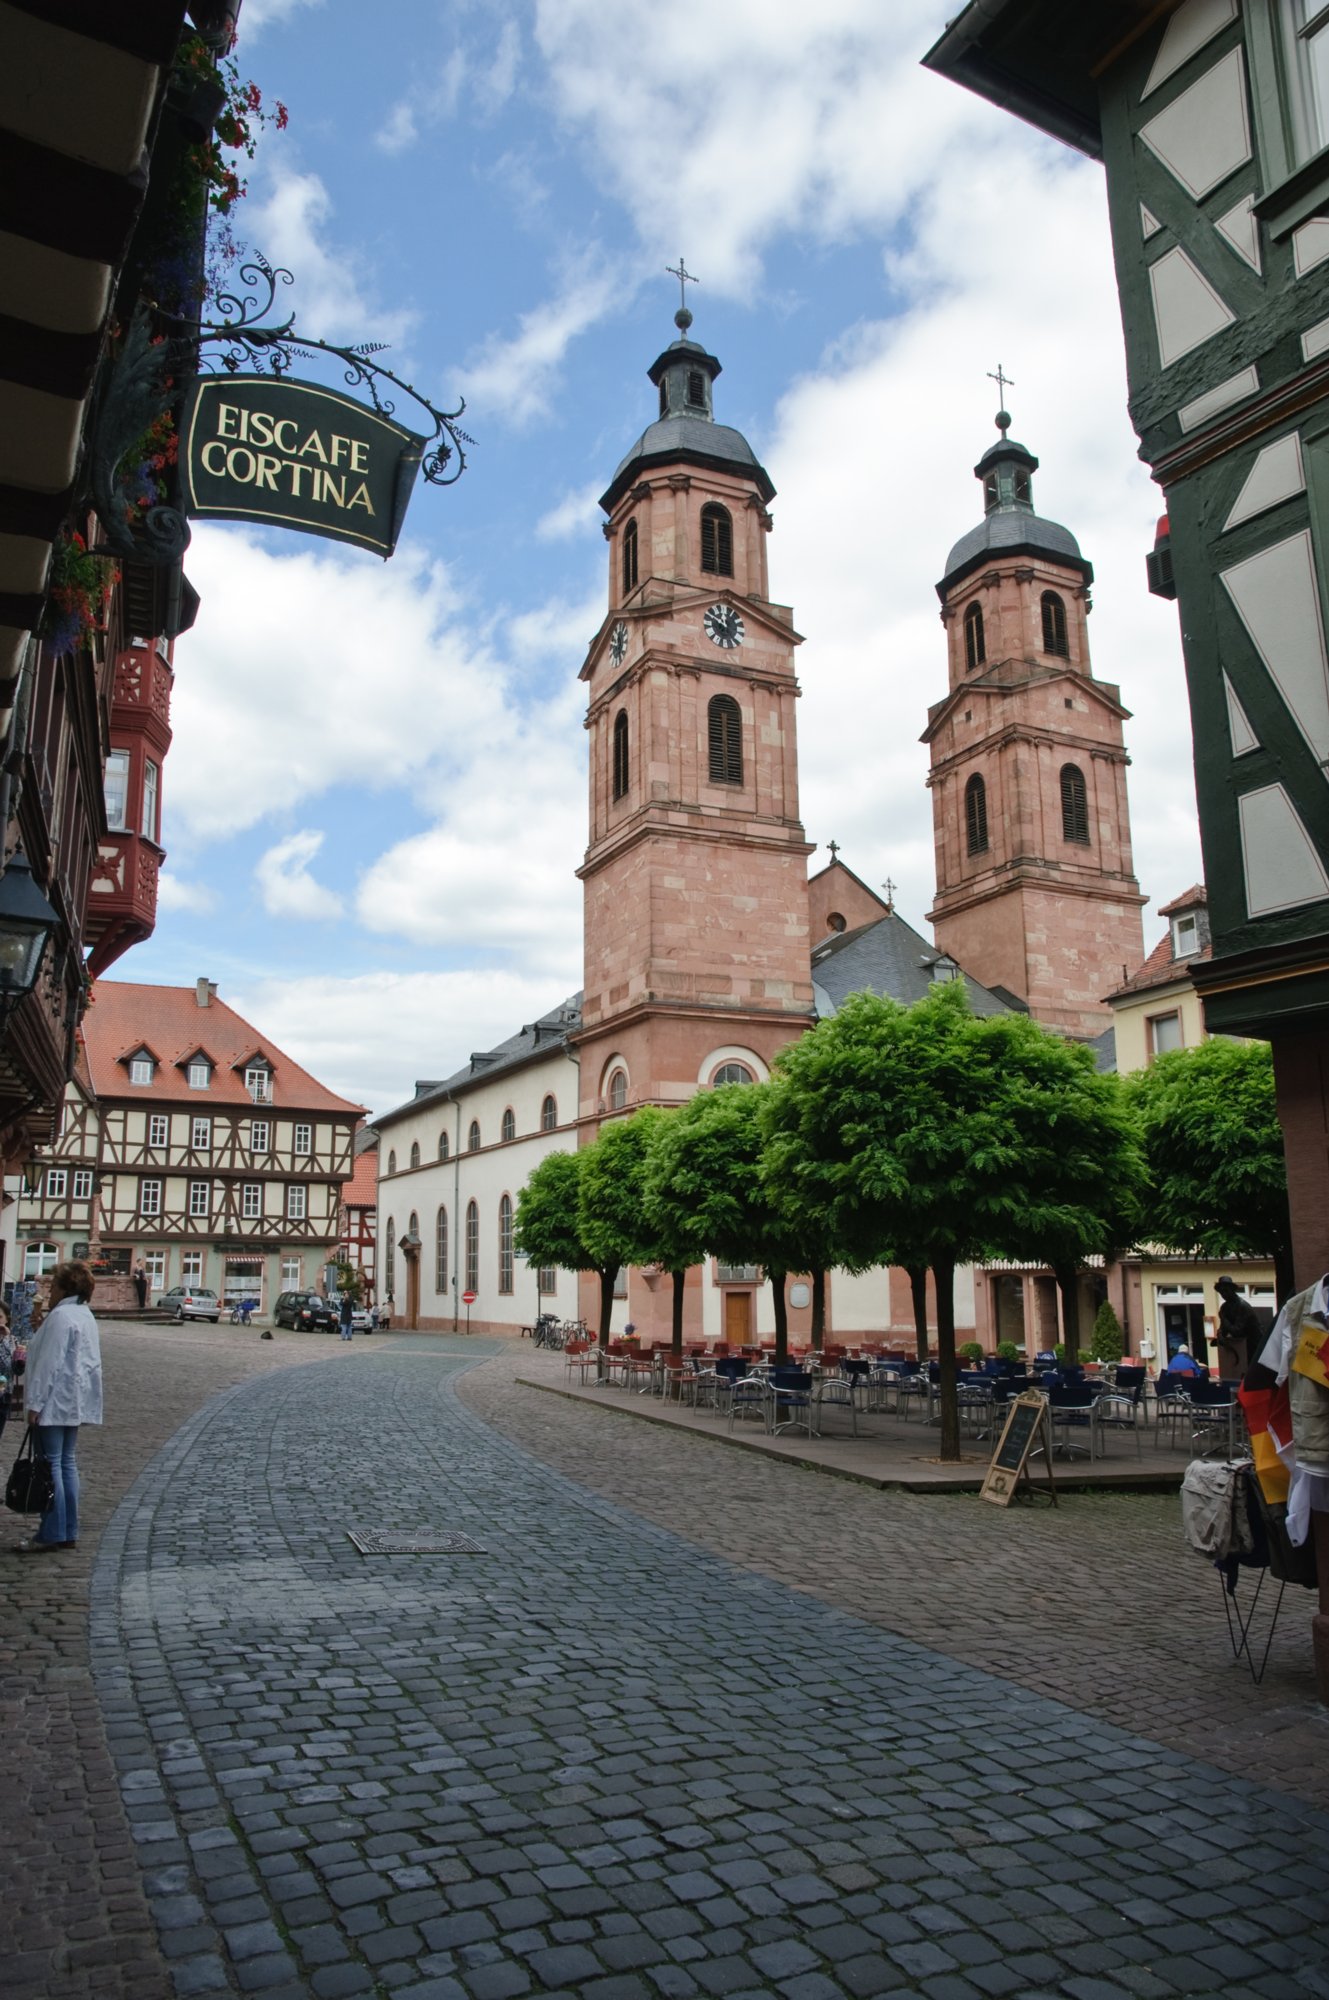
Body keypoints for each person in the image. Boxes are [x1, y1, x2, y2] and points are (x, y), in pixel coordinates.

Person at [14, 1259, 102, 1555]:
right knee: (65, 1463)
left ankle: (51, 1531)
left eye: (53, 1286)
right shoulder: (83, 1314)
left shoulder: (62, 1317)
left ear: (65, 1288)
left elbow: (49, 1365)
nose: (49, 1292)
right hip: (73, 1400)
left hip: (54, 1401)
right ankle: (67, 1530)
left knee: (50, 1465)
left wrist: (35, 1404)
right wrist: (42, 1329)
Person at [1215, 1275, 1262, 1380]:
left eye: (1226, 1290)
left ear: (1232, 1290)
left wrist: (1223, 1318)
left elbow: (1237, 1331)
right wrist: (1220, 1334)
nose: (1224, 1294)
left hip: (1252, 1347)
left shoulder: (1242, 1306)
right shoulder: (1225, 1307)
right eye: (1221, 1292)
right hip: (1239, 1351)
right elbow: (1223, 1328)